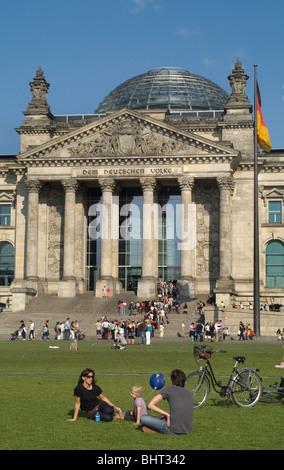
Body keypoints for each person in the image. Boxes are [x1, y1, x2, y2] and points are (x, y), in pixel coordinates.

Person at [140, 369, 194, 435]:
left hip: (173, 429)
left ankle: (157, 429)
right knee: (161, 417)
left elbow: (150, 405)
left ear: (172, 381)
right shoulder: (190, 393)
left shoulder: (168, 389)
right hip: (187, 430)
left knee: (143, 418)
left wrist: (167, 415)